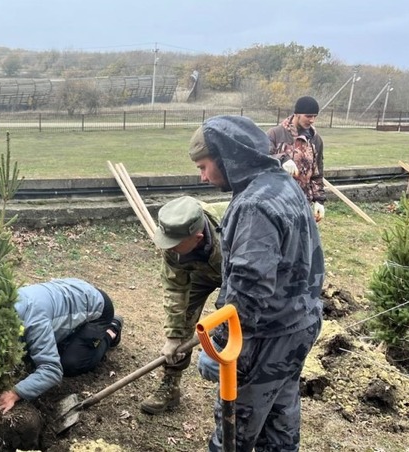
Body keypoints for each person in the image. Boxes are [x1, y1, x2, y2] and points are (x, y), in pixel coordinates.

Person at [188, 115, 324, 451]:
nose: (202, 176)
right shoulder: (280, 183)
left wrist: (220, 344)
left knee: (235, 432)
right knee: (280, 420)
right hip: (298, 324)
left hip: (265, 338)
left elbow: (249, 287)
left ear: (227, 158)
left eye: (204, 166)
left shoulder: (253, 206)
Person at [0, 277, 123, 414]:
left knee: (71, 363)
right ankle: (70, 335)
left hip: (96, 307)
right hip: (66, 294)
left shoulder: (33, 321)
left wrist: (15, 392)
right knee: (30, 352)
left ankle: (111, 331)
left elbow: (51, 370)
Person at [139, 196, 222, 414]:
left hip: (237, 272)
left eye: (175, 244)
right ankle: (171, 386)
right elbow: (175, 289)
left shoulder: (233, 231)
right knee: (182, 323)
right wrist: (173, 335)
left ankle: (238, 386)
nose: (170, 248)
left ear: (198, 237)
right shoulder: (173, 242)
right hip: (200, 273)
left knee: (235, 329)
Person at [266, 95, 326, 222]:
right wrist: (282, 159)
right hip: (276, 201)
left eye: (315, 116)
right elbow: (262, 158)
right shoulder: (275, 134)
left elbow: (317, 173)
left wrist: (319, 200)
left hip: (302, 203)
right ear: (297, 114)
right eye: (308, 116)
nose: (312, 120)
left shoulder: (315, 140)